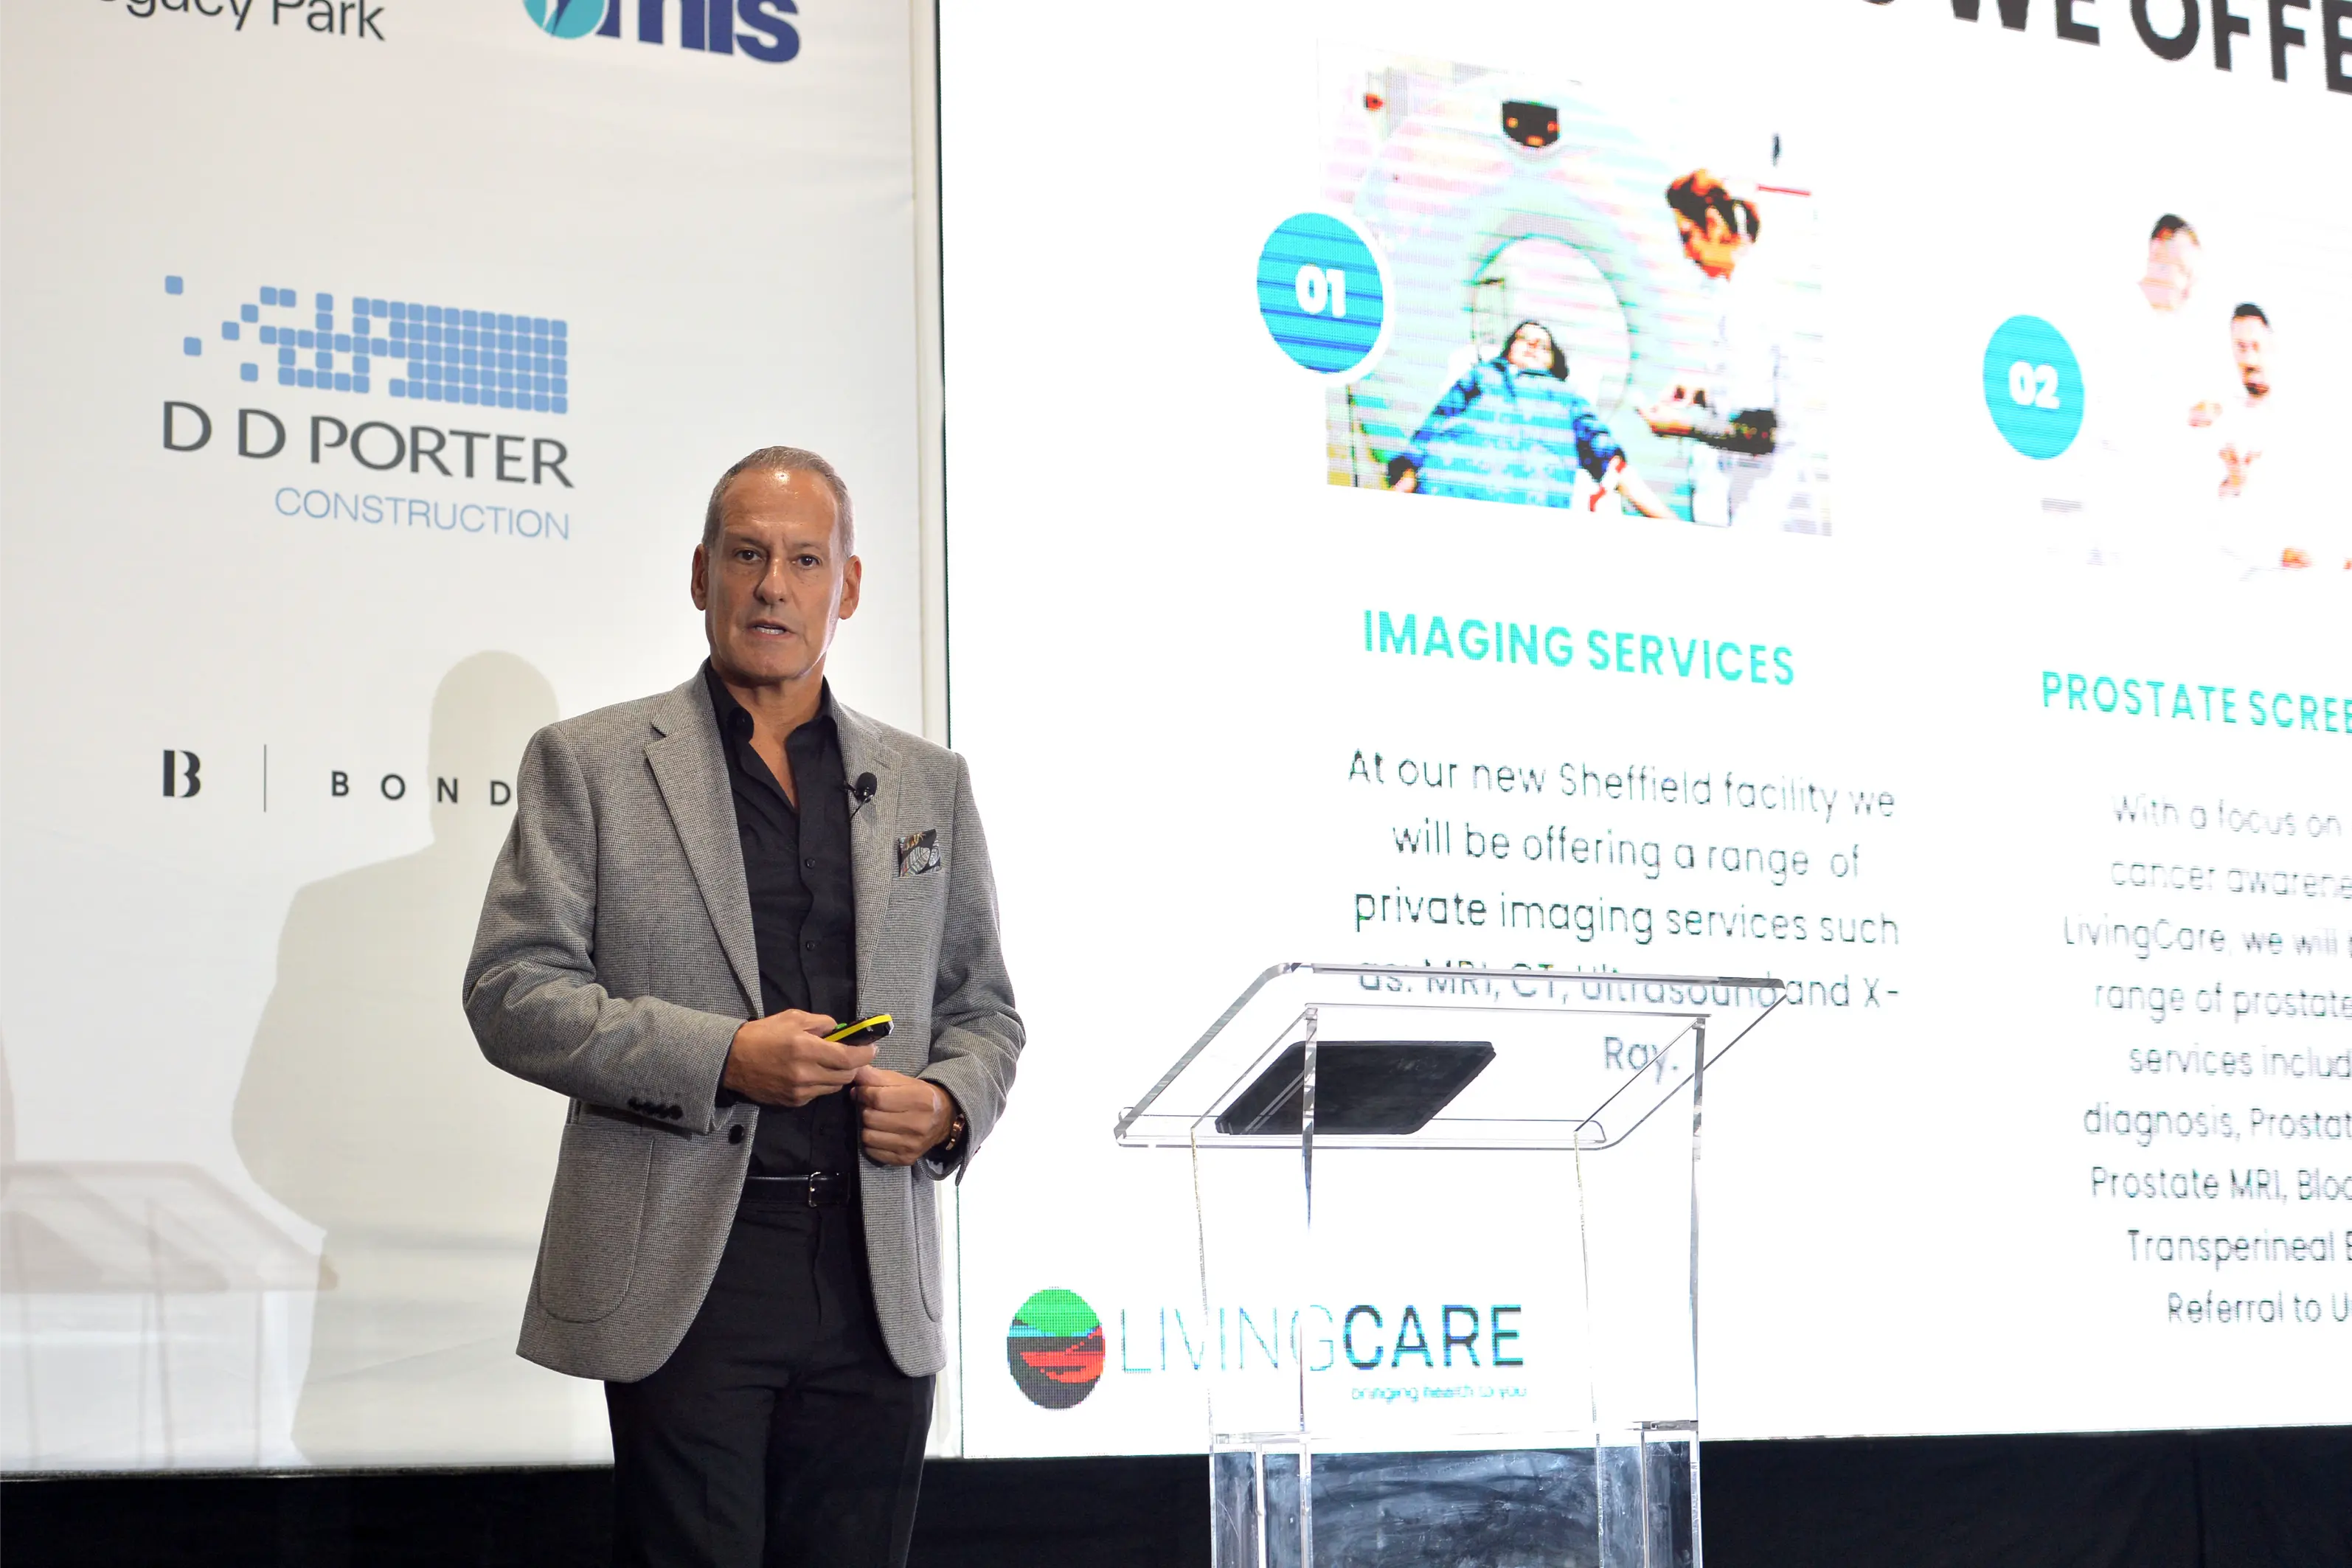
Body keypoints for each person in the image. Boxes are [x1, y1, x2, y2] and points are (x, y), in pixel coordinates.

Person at [464, 445, 1023, 1567]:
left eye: (804, 559)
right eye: (748, 554)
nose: (774, 583)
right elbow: (511, 989)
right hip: (695, 1264)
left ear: (846, 588)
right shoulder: (594, 762)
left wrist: (951, 1106)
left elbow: (983, 1010)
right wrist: (725, 1056)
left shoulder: (927, 784)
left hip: (873, 1268)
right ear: (701, 574)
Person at [1637, 169, 1816, 530]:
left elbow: (1758, 432)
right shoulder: (1747, 291)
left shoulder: (1747, 304)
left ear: (1715, 225)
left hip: (1767, 503)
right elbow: (1760, 394)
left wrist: (1681, 426)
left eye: (1687, 236)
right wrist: (1704, 392)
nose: (1686, 253)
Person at [1387, 319, 1671, 516]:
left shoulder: (1567, 397)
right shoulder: (1480, 376)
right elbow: (1432, 429)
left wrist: (1666, 521)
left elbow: (1609, 460)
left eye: (1543, 344)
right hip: (1448, 499)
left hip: (1528, 519)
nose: (1533, 345)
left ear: (1554, 362)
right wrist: (1401, 488)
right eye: (1524, 339)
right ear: (1508, 349)